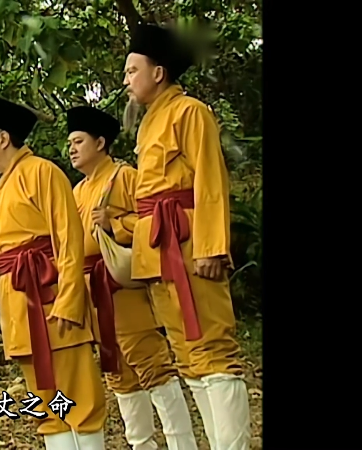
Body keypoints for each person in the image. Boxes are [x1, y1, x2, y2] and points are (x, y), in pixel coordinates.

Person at [123, 24, 251, 450]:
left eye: (132, 70)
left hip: (190, 244)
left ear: (158, 72)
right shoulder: (147, 124)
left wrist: (212, 247)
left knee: (213, 350)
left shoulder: (190, 112)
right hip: (157, 251)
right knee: (187, 356)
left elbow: (210, 180)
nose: (126, 80)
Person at [0, 95, 106, 450]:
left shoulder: (42, 172)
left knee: (80, 399)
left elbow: (68, 240)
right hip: (19, 308)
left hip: (52, 301)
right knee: (46, 407)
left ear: (3, 138)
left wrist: (70, 300)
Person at [66, 105, 198, 450]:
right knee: (118, 374)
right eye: (70, 143)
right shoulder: (77, 191)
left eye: (78, 141)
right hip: (93, 291)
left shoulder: (124, 176)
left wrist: (116, 223)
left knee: (152, 364)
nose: (72, 149)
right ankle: (142, 445)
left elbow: (153, 222)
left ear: (100, 143)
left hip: (121, 285)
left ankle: (182, 445)